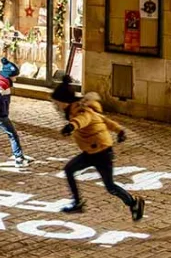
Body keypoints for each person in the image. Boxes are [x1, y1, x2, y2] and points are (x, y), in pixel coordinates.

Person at [51, 75, 145, 219]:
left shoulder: (81, 111)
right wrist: (119, 130)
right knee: (69, 169)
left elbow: (83, 120)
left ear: (63, 102)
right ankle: (77, 203)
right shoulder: (75, 110)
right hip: (91, 152)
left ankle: (134, 202)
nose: (55, 104)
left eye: (56, 102)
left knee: (110, 186)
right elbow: (104, 120)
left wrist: (71, 126)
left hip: (102, 153)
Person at [0, 57, 32, 169]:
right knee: (13, 135)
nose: (16, 79)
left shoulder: (1, 82)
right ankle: (19, 159)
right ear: (9, 75)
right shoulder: (1, 85)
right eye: (15, 76)